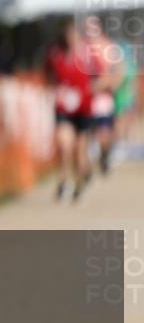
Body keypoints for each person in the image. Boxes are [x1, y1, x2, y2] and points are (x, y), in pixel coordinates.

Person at [44, 19, 96, 199]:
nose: (70, 39)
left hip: (84, 109)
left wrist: (93, 89)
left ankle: (80, 181)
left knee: (79, 150)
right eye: (67, 35)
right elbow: (48, 75)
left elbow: (101, 76)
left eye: (73, 35)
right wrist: (55, 91)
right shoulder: (55, 54)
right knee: (65, 145)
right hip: (64, 109)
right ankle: (63, 180)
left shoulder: (88, 54)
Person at [82, 15, 125, 176]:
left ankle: (104, 155)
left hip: (104, 98)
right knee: (86, 133)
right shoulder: (82, 47)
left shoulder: (108, 47)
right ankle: (85, 167)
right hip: (86, 98)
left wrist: (108, 84)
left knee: (103, 133)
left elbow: (118, 71)